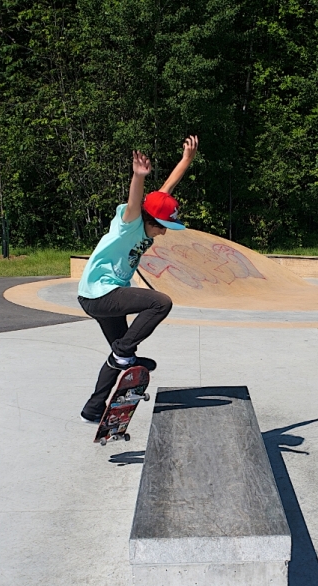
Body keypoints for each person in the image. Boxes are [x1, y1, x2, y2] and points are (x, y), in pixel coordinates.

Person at [77, 135, 199, 423]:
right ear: (148, 220)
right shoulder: (129, 223)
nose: (165, 233)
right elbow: (136, 201)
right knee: (160, 303)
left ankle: (93, 408)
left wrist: (186, 160)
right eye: (163, 227)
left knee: (120, 358)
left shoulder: (150, 218)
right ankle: (124, 353)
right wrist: (138, 176)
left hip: (103, 296)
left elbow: (165, 193)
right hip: (101, 293)